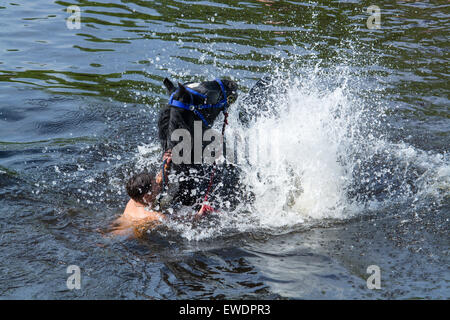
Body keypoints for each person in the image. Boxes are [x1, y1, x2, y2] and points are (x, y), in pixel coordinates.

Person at [111, 150, 213, 237]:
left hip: (117, 228)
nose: (157, 182)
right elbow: (186, 222)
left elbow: (160, 181)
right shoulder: (153, 217)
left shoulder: (134, 199)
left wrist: (166, 167)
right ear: (147, 195)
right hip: (127, 236)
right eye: (154, 183)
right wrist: (201, 213)